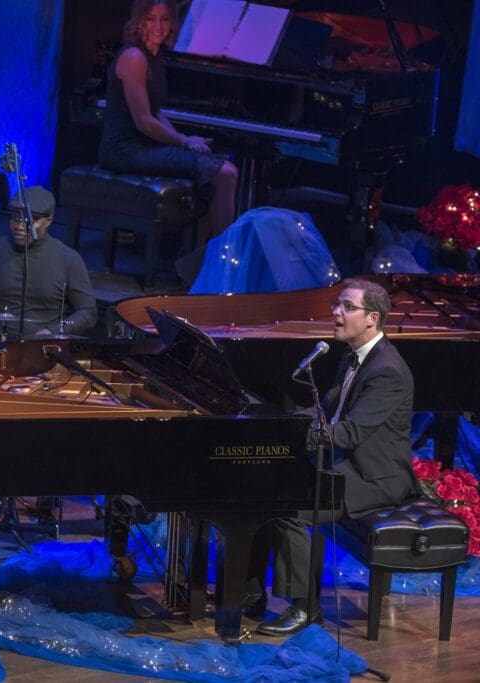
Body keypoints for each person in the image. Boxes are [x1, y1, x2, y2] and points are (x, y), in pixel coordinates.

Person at [246, 278, 417, 636]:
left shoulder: (387, 371)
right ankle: (252, 593)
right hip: (343, 461)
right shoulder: (352, 356)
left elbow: (350, 432)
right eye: (336, 305)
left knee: (290, 510)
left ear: (372, 318)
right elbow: (326, 413)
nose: (336, 312)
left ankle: (306, 609)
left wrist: (296, 437)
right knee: (261, 489)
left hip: (374, 478)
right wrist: (282, 423)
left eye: (347, 307)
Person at [98, 0, 238, 245]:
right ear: (138, 21)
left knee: (212, 171)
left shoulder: (154, 55)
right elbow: (144, 121)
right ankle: (221, 258)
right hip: (124, 150)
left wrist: (185, 141)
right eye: (150, 18)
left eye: (165, 19)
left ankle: (198, 255)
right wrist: (183, 141)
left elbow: (156, 112)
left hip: (141, 146)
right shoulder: (134, 57)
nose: (158, 26)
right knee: (226, 173)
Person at [0, 185, 97, 343]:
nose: (19, 226)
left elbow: (87, 312)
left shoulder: (68, 259)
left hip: (40, 349)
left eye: (30, 220)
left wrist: (56, 330)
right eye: (15, 218)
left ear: (49, 220)